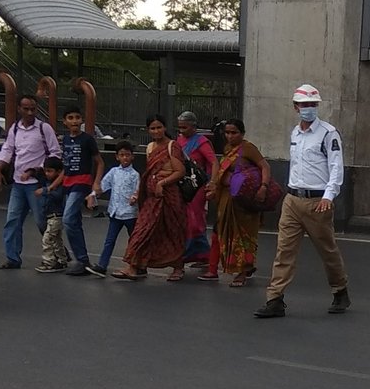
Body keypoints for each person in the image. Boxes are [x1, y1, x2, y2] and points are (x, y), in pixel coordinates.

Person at [254, 84, 350, 318]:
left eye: (313, 104)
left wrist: (328, 196)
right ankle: (275, 298)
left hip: (317, 202)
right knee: (284, 251)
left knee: (327, 250)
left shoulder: (328, 133)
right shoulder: (295, 133)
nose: (309, 108)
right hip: (293, 199)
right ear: (295, 107)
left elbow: (336, 167)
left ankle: (340, 290)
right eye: (304, 104)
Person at [112, 115, 188, 282]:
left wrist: (162, 183)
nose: (156, 131)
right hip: (152, 198)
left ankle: (178, 267)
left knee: (172, 231)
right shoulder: (150, 147)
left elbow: (180, 171)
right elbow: (149, 172)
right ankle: (134, 266)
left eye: (159, 127)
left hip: (169, 196)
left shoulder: (172, 146)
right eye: (152, 128)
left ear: (165, 128)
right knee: (142, 230)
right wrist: (140, 192)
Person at [0, 95, 62, 270]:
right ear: (19, 109)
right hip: (18, 183)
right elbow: (7, 150)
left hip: (36, 183)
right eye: (26, 109)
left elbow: (55, 153)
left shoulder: (43, 128)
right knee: (13, 221)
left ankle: (57, 254)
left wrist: (36, 170)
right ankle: (12, 257)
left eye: (33, 109)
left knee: (42, 221)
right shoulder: (15, 128)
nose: (30, 112)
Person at [200, 118, 272, 287]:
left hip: (243, 201)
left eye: (234, 133)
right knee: (218, 232)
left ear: (242, 133)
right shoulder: (227, 149)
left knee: (243, 236)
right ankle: (212, 269)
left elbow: (265, 167)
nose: (230, 136)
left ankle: (243, 271)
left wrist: (263, 187)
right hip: (226, 200)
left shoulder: (248, 148)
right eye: (227, 133)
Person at [59, 105, 106, 277]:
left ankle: (81, 258)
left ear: (81, 120)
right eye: (70, 118)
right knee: (74, 221)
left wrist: (96, 183)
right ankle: (83, 260)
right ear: (65, 122)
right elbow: (65, 164)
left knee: (68, 219)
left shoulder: (87, 139)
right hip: (68, 183)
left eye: (77, 118)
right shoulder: (65, 140)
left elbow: (99, 162)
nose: (74, 121)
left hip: (82, 182)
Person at [175, 110, 217, 270]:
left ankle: (187, 253)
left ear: (193, 127)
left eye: (184, 127)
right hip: (182, 184)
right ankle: (202, 254)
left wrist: (212, 182)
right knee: (186, 219)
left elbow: (214, 162)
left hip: (197, 186)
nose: (181, 131)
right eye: (180, 127)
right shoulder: (179, 140)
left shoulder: (201, 142)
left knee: (195, 220)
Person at [91, 140, 140, 274]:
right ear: (117, 157)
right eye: (122, 155)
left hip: (130, 214)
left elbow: (138, 190)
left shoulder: (135, 175)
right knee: (109, 241)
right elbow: (103, 186)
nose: (125, 158)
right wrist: (93, 194)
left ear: (132, 156)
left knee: (134, 241)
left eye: (127, 155)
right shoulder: (114, 172)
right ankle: (102, 265)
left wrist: (135, 197)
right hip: (115, 213)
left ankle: (137, 266)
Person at [33, 156, 68, 273]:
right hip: (51, 215)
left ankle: (49, 262)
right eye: (46, 171)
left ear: (58, 172)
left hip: (56, 215)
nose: (47, 174)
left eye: (50, 171)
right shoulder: (48, 182)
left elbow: (58, 196)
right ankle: (62, 260)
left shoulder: (59, 185)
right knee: (56, 240)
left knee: (47, 239)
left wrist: (46, 191)